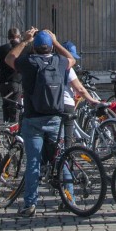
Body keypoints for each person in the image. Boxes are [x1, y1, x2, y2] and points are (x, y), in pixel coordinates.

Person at [6, 29, 69, 219]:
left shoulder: (29, 62)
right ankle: (69, 198)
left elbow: (10, 58)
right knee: (62, 159)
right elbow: (72, 59)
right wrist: (57, 41)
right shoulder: (59, 62)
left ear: (35, 47)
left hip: (33, 118)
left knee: (33, 162)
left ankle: (30, 204)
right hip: (56, 118)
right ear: (50, 46)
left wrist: (24, 41)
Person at [0, 28, 22, 122]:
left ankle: (6, 129)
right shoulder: (21, 48)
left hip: (2, 82)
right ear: (19, 36)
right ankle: (13, 131)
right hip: (15, 82)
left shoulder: (2, 48)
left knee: (5, 106)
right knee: (15, 108)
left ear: (8, 37)